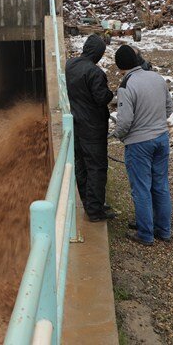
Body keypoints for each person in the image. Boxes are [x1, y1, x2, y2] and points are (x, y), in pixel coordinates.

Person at [113, 44, 173, 245]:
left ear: (120, 66)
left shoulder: (126, 85)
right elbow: (169, 107)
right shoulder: (156, 77)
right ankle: (164, 230)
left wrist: (119, 136)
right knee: (161, 185)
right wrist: (156, 122)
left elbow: (124, 121)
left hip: (139, 143)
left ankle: (145, 234)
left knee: (141, 188)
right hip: (162, 139)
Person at [65, 34, 116, 221]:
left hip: (76, 123)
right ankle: (95, 210)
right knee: (97, 167)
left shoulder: (70, 65)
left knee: (82, 166)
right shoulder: (94, 72)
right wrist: (111, 93)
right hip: (93, 127)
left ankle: (90, 202)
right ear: (98, 53)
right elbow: (102, 98)